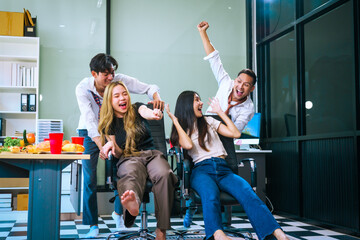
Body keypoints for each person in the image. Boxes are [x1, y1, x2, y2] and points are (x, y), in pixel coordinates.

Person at [166, 91, 289, 240]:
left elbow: (235, 133)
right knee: (210, 195)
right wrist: (176, 121)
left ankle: (275, 232)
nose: (201, 103)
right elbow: (187, 144)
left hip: (223, 169)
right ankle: (218, 235)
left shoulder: (209, 120)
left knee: (247, 192)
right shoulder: (180, 131)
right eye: (196, 100)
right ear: (186, 105)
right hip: (201, 171)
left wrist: (220, 112)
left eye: (200, 99)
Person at [75, 53, 164, 238]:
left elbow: (148, 87)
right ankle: (93, 224)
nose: (110, 77)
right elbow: (91, 122)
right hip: (91, 132)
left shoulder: (118, 80)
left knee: (119, 167)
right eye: (105, 74)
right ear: (94, 74)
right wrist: (102, 146)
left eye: (112, 72)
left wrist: (156, 96)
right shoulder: (83, 88)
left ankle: (119, 215)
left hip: (117, 128)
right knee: (90, 178)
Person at [182, 20, 258, 228]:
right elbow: (214, 58)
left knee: (225, 174)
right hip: (204, 127)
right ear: (235, 80)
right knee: (193, 165)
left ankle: (225, 220)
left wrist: (220, 114)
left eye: (246, 85)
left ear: (251, 89)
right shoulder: (225, 83)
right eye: (239, 81)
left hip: (225, 136)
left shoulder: (248, 108)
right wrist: (202, 33)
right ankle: (191, 204)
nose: (241, 87)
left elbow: (235, 133)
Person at [98, 81, 177, 240]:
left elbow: (145, 112)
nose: (122, 98)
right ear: (110, 101)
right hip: (128, 157)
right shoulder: (108, 123)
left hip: (151, 154)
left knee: (165, 174)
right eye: (117, 96)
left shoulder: (136, 108)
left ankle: (161, 231)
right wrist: (110, 146)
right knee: (130, 174)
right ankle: (132, 205)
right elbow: (118, 153)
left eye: (124, 94)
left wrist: (154, 114)